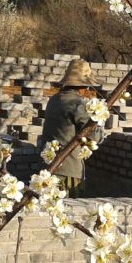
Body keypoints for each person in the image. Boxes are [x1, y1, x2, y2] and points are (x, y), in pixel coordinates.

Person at [40, 58, 108, 197]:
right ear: (83, 87)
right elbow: (94, 139)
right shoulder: (78, 104)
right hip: (68, 170)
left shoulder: (54, 100)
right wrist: (99, 119)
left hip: (50, 165)